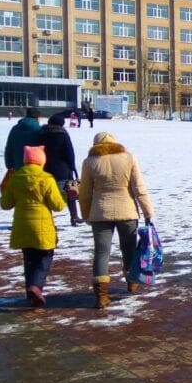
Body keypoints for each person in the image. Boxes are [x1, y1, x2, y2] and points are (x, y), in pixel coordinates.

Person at [79, 132, 155, 309]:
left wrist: (86, 215)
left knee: (101, 252)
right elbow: (139, 188)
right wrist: (148, 212)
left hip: (99, 212)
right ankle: (131, 282)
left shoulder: (89, 162)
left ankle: (101, 296)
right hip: (127, 211)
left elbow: (84, 194)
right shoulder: (128, 158)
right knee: (128, 249)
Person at [0, 145, 66, 307]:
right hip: (42, 227)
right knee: (44, 257)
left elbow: (5, 204)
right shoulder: (46, 179)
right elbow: (58, 206)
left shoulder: (15, 178)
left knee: (29, 259)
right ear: (41, 161)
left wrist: (4, 191)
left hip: (22, 226)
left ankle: (31, 292)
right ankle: (36, 287)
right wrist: (65, 195)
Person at [39, 115, 83, 226]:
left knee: (46, 194)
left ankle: (49, 219)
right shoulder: (62, 135)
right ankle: (74, 216)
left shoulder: (41, 134)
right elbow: (69, 152)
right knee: (70, 192)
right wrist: (72, 167)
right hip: (62, 169)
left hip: (45, 168)